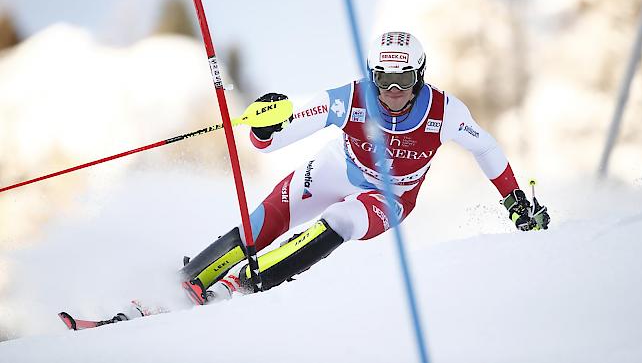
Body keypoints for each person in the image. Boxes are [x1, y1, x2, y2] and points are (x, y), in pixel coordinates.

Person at [179, 31, 551, 305]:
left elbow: (484, 146)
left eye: (403, 79)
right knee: (269, 216)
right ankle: (193, 276)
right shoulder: (351, 97)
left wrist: (514, 198)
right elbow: (273, 141)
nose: (392, 89)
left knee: (344, 219)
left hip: (390, 197)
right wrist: (265, 127)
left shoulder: (445, 112)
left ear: (419, 76)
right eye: (383, 78)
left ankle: (245, 282)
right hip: (336, 170)